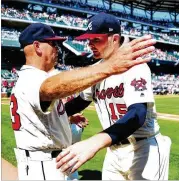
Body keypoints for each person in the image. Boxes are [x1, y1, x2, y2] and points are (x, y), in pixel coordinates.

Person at [10, 22, 156, 180]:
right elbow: (49, 88)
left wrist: (64, 117)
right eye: (53, 43)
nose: (57, 48)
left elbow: (48, 110)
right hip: (43, 165)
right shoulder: (32, 78)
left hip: (50, 162)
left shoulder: (34, 78)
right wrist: (110, 66)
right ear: (37, 46)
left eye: (96, 40)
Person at [56, 13, 171, 180]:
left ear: (114, 39)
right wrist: (52, 115)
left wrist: (95, 141)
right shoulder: (97, 69)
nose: (90, 44)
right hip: (113, 151)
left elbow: (137, 114)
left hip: (144, 147)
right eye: (89, 40)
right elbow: (79, 103)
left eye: (96, 39)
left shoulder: (135, 64)